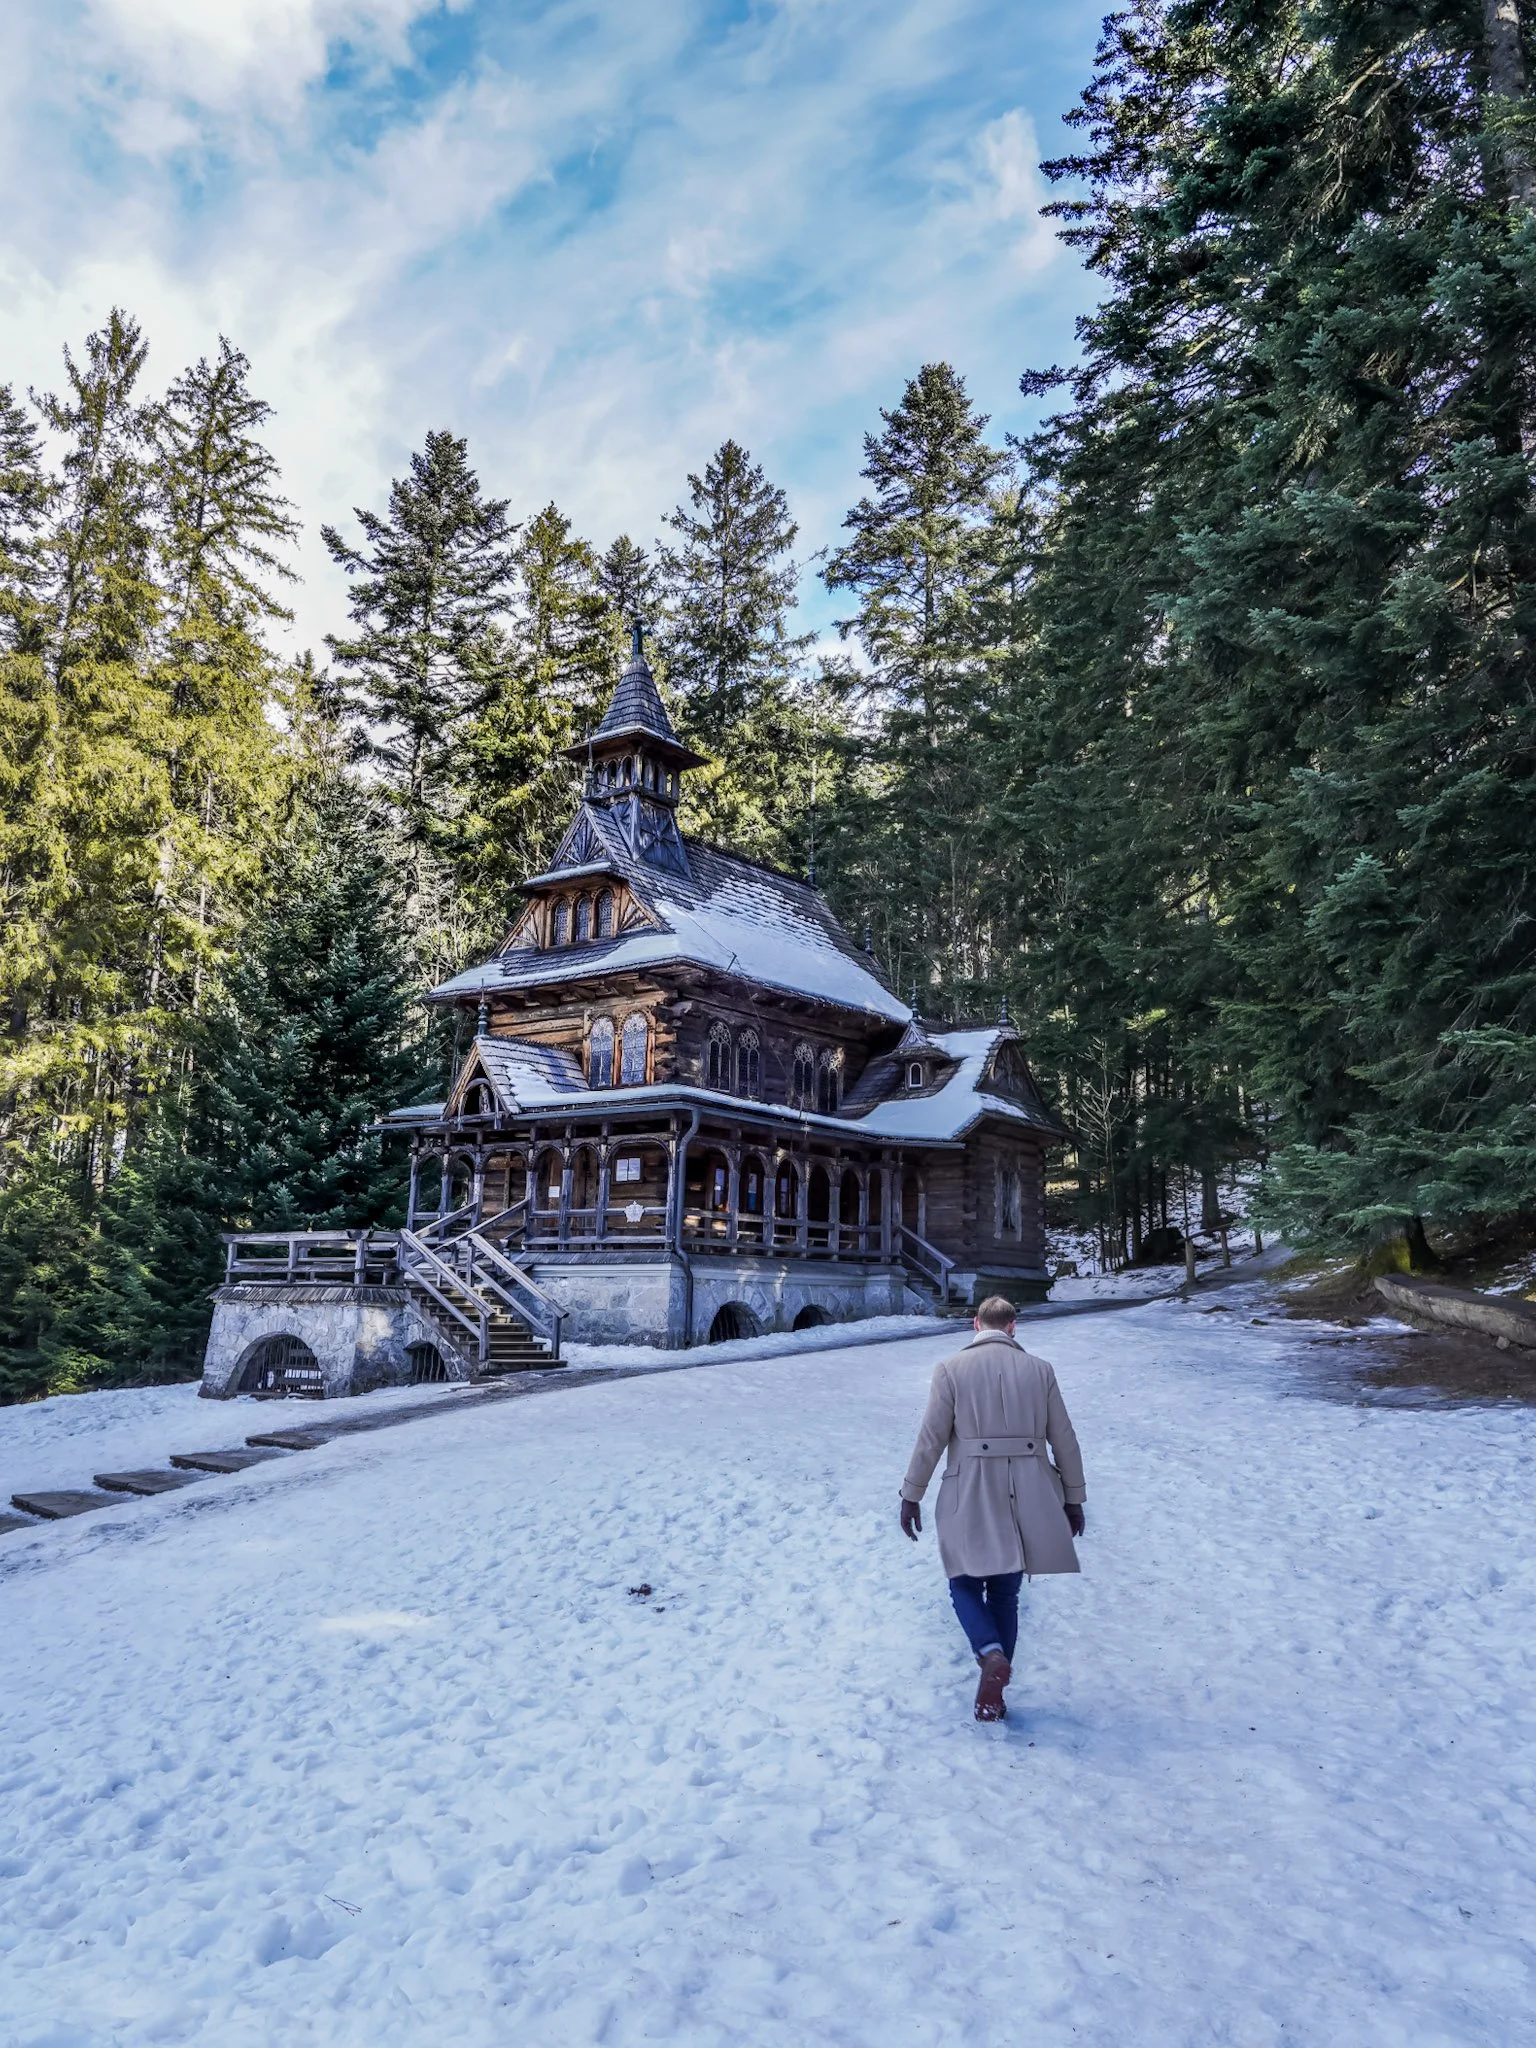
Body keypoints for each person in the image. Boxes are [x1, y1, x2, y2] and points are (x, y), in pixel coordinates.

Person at [900, 1295, 1086, 1722]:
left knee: (963, 1580)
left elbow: (931, 1437)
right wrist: (1073, 1499)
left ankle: (989, 1654)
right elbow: (1065, 1438)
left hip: (969, 1486)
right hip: (1030, 1490)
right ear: (1013, 1327)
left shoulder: (950, 1368)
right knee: (1005, 1591)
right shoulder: (1040, 1370)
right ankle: (996, 1693)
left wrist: (912, 1493)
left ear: (975, 1324)